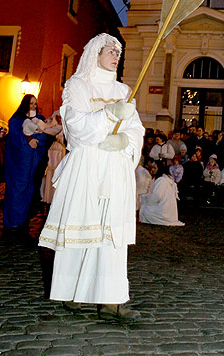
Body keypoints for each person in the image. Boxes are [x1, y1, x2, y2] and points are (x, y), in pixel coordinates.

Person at [38, 33, 145, 321]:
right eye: (110, 50)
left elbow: (136, 128)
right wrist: (110, 114)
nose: (116, 54)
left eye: (118, 51)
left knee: (112, 235)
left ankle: (112, 301)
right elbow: (76, 127)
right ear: (95, 53)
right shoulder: (77, 86)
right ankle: (73, 291)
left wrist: (125, 142)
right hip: (87, 167)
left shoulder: (125, 91)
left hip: (116, 168)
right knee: (82, 229)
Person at [3, 95, 50, 238]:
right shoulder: (16, 119)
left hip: (32, 165)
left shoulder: (39, 118)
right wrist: (28, 139)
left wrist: (37, 138)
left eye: (35, 104)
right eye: (30, 104)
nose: (33, 106)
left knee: (29, 193)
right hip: (18, 166)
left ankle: (23, 224)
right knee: (16, 192)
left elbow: (44, 136)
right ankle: (13, 225)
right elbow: (15, 138)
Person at [140, 161, 184, 226]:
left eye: (155, 168)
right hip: (164, 208)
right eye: (152, 168)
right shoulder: (159, 179)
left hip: (164, 211)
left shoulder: (162, 181)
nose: (152, 170)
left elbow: (157, 196)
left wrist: (144, 198)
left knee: (145, 211)